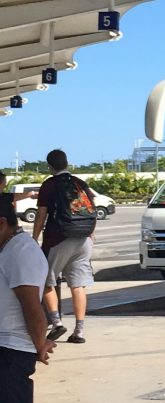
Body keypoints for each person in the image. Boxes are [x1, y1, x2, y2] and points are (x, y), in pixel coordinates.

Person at [32, 149, 95, 344]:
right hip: (84, 238)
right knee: (78, 285)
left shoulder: (49, 185)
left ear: (50, 166)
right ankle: (79, 331)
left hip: (59, 238)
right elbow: (90, 208)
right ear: (67, 163)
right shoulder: (80, 183)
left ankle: (57, 323)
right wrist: (91, 235)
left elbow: (41, 215)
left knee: (45, 281)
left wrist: (34, 239)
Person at [0, 194, 56, 403]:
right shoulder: (7, 248)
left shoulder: (21, 251)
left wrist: (40, 344)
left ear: (2, 223)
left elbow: (33, 309)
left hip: (11, 352)